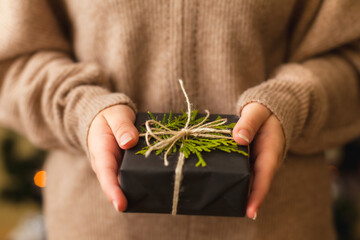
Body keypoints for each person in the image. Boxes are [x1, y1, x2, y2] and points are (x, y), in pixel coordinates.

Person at [0, 0, 359, 239]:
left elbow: (350, 58)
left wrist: (293, 100)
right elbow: (13, 61)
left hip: (280, 225)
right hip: (98, 226)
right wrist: (80, 106)